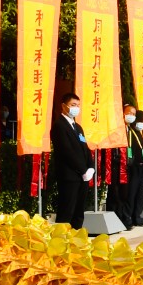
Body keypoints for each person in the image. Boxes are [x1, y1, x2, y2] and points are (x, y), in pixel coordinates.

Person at [50, 92, 95, 228]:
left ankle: (76, 240)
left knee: (79, 211)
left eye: (78, 105)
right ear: (64, 106)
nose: (76, 108)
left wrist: (91, 167)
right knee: (66, 211)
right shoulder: (59, 126)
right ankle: (60, 242)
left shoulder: (78, 127)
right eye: (73, 105)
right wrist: (82, 170)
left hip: (83, 177)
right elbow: (66, 151)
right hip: (69, 176)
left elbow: (85, 148)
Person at [122, 107, 143, 228]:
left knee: (140, 194)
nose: (141, 124)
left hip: (142, 167)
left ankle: (137, 217)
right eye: (140, 121)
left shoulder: (141, 132)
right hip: (133, 167)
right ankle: (127, 218)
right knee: (131, 193)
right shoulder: (129, 132)